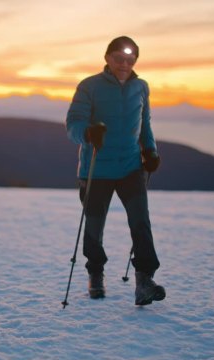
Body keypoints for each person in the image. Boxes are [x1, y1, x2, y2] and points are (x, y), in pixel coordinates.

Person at [66, 36, 165, 306]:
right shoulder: (89, 86)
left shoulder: (141, 87)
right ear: (107, 58)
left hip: (131, 167)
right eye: (119, 58)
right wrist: (87, 132)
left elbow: (145, 124)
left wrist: (151, 151)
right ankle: (95, 273)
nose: (124, 64)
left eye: (130, 60)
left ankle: (144, 281)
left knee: (140, 221)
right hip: (96, 168)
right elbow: (73, 124)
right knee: (95, 225)